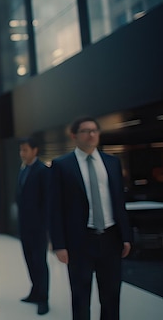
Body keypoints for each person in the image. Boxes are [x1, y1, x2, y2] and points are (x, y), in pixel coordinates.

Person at [49, 117, 132, 320]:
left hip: (111, 238)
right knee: (80, 296)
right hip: (80, 240)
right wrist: (59, 244)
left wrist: (126, 236)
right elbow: (54, 208)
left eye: (94, 130)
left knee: (111, 295)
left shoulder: (112, 163)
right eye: (86, 131)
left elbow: (119, 202)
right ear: (74, 135)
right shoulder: (62, 165)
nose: (91, 134)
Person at [16, 137, 50, 315]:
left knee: (40, 262)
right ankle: (35, 291)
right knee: (29, 260)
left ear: (35, 150)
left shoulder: (42, 170)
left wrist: (45, 226)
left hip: (38, 227)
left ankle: (43, 299)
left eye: (25, 150)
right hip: (25, 226)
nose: (22, 153)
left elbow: (47, 201)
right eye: (21, 150)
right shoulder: (23, 170)